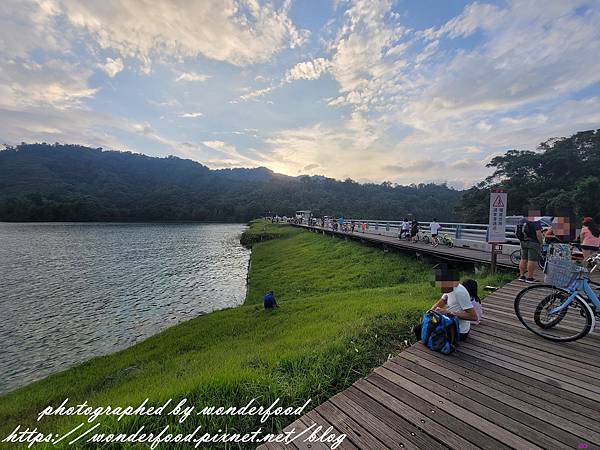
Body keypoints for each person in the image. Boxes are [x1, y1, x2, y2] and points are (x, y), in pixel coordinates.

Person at [413, 264, 478, 342]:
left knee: (425, 330)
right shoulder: (449, 288)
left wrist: (448, 312)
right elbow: (442, 301)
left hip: (459, 331)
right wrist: (428, 314)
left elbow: (473, 316)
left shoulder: (459, 292)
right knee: (419, 328)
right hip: (449, 323)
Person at [517, 216, 543, 283]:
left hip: (523, 242)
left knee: (523, 259)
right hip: (533, 242)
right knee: (531, 260)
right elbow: (538, 234)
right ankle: (530, 278)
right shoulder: (536, 221)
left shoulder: (522, 220)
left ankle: (522, 276)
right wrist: (541, 243)